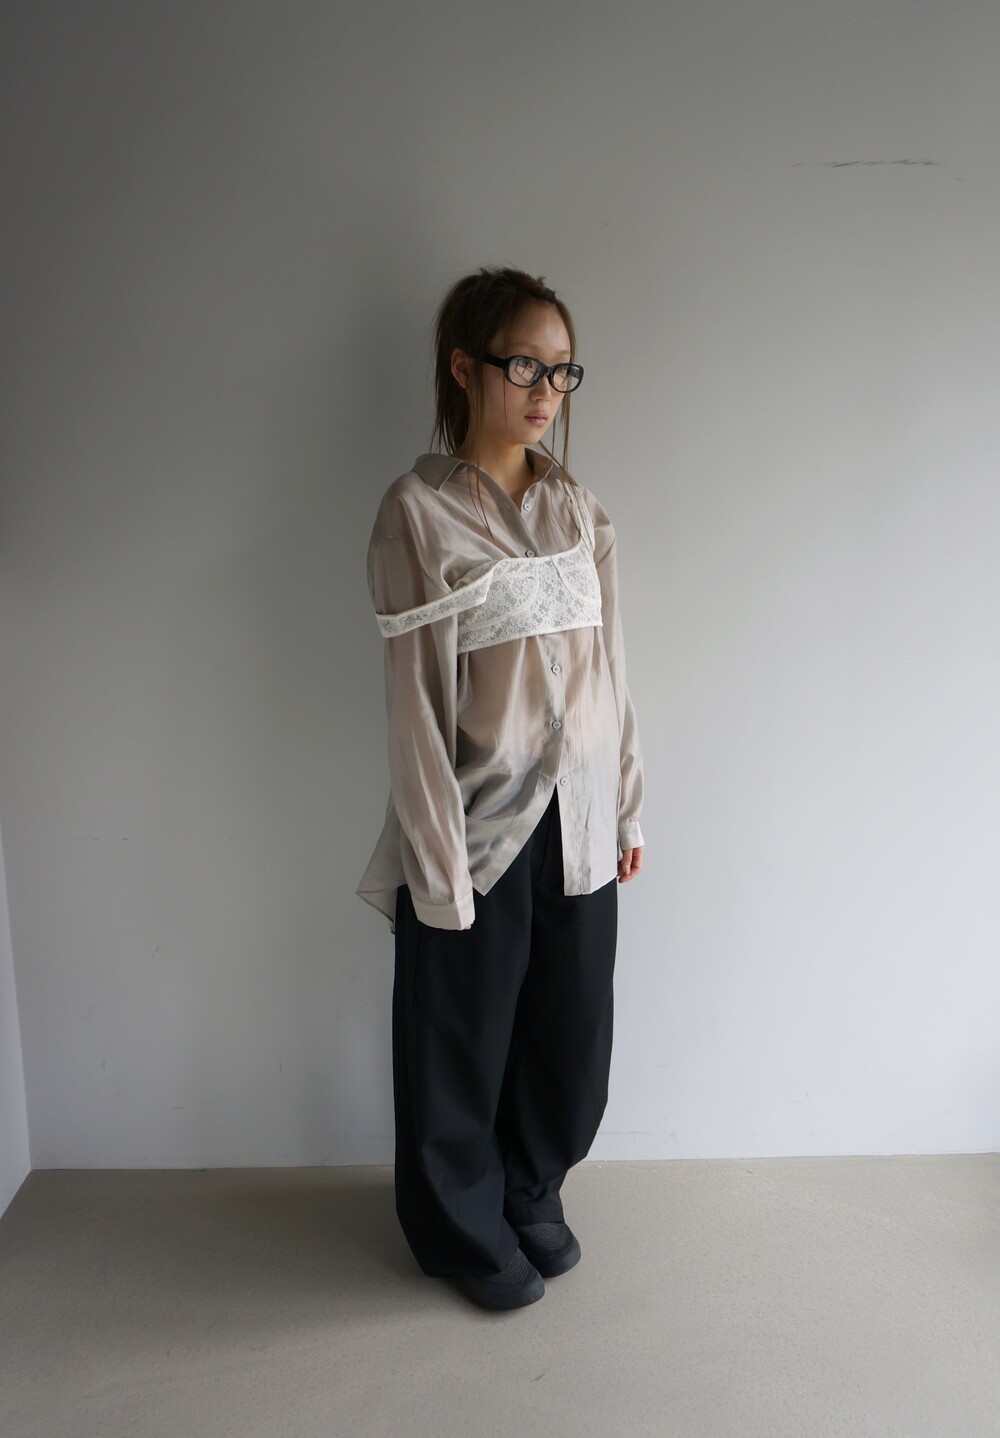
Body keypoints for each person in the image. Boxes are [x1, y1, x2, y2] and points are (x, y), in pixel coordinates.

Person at [356, 265, 645, 1311]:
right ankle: (461, 1234)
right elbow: (414, 703)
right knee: (460, 1040)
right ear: (464, 366)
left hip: (580, 817)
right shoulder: (418, 512)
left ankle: (529, 1190)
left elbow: (610, 666)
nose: (545, 391)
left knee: (572, 1034)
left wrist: (626, 799)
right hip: (477, 822)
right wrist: (436, 864)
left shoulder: (576, 507)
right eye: (525, 365)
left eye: (562, 371)